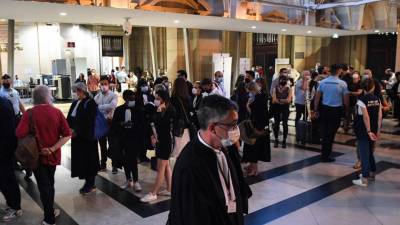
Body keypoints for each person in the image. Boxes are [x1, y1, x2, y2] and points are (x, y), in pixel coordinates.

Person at [168, 95, 252, 225]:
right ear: (213, 128)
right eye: (232, 125)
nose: (236, 129)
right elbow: (192, 216)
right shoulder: (190, 166)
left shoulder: (223, 146)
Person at [16, 85, 71, 225]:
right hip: (52, 156)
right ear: (48, 96)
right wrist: (52, 149)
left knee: (43, 186)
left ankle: (49, 218)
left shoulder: (29, 114)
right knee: (49, 184)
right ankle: (50, 210)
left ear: (34, 97)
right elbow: (67, 135)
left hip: (36, 156)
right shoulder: (57, 112)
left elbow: (19, 133)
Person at [141, 90, 176, 202]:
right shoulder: (161, 110)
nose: (155, 100)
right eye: (155, 98)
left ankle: (154, 193)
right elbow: (154, 123)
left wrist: (160, 113)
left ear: (164, 99)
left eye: (158, 98)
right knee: (166, 167)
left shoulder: (170, 110)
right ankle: (170, 189)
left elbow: (165, 126)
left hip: (167, 142)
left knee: (161, 167)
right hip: (161, 141)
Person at [67, 82, 100, 195]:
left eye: (77, 91)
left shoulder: (90, 103)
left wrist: (77, 131)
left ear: (83, 91)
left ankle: (90, 183)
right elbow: (70, 118)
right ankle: (88, 182)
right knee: (82, 161)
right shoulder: (76, 102)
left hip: (87, 138)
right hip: (77, 138)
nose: (76, 93)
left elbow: (89, 120)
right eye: (75, 91)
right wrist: (69, 129)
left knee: (89, 160)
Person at [313, 64, 349, 162]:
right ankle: (326, 155)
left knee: (324, 133)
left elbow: (317, 98)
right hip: (336, 110)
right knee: (331, 134)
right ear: (339, 71)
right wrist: (346, 112)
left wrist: (315, 110)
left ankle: (324, 154)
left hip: (325, 110)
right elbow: (346, 100)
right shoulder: (342, 84)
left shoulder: (323, 82)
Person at [352, 78, 382, 187]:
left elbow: (365, 117)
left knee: (364, 154)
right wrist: (377, 132)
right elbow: (379, 117)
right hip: (373, 130)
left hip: (364, 130)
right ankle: (372, 174)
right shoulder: (377, 99)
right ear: (373, 87)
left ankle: (364, 179)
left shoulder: (361, 100)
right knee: (370, 152)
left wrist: (368, 131)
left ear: (362, 88)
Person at [111, 90, 142, 191]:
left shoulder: (137, 109)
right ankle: (128, 179)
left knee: (133, 159)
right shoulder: (119, 110)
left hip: (134, 138)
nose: (132, 100)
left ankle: (136, 181)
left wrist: (134, 125)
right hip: (123, 138)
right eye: (130, 98)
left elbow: (142, 123)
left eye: (133, 98)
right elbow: (114, 124)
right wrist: (121, 124)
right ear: (125, 99)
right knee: (125, 160)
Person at [0, 96, 22, 223]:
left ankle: (15, 207)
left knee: (7, 179)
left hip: (4, 150)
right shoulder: (4, 102)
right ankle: (12, 204)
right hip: (5, 149)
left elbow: (8, 132)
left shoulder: (3, 105)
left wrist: (7, 150)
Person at [243, 82, 270, 176]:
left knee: (254, 147)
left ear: (253, 90)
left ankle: (254, 169)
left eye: (249, 91)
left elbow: (255, 114)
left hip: (257, 127)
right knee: (251, 146)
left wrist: (248, 106)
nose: (249, 94)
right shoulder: (259, 97)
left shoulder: (259, 99)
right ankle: (251, 165)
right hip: (256, 125)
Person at [94, 76, 118, 172]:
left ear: (109, 85)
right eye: (102, 84)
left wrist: (100, 107)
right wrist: (104, 108)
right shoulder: (97, 96)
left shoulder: (113, 95)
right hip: (100, 124)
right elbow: (94, 107)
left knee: (113, 144)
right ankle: (103, 164)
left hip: (110, 122)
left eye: (105, 84)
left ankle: (114, 165)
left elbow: (112, 105)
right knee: (102, 145)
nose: (103, 86)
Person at [171, 78, 193, 158]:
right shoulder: (188, 98)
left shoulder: (173, 99)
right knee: (186, 149)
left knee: (178, 150)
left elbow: (174, 114)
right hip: (187, 126)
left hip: (178, 127)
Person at [272, 76, 292, 148]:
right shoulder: (275, 88)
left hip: (285, 108)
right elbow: (274, 100)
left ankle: (284, 140)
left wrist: (279, 100)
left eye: (284, 80)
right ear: (279, 80)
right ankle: (276, 139)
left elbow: (289, 100)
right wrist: (283, 100)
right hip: (277, 107)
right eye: (281, 80)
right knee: (276, 123)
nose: (283, 81)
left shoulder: (289, 88)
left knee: (285, 123)